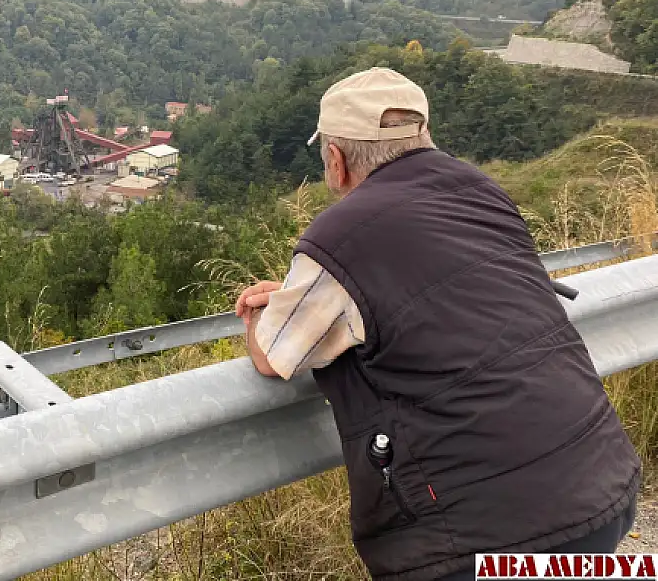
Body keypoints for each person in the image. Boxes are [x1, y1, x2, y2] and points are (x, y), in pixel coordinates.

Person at [237, 67, 640, 581]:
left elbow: (273, 357)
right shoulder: (482, 191)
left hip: (480, 540)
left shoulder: (338, 236)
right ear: (422, 136)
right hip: (604, 491)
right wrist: (309, 298)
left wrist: (258, 310)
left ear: (335, 162)